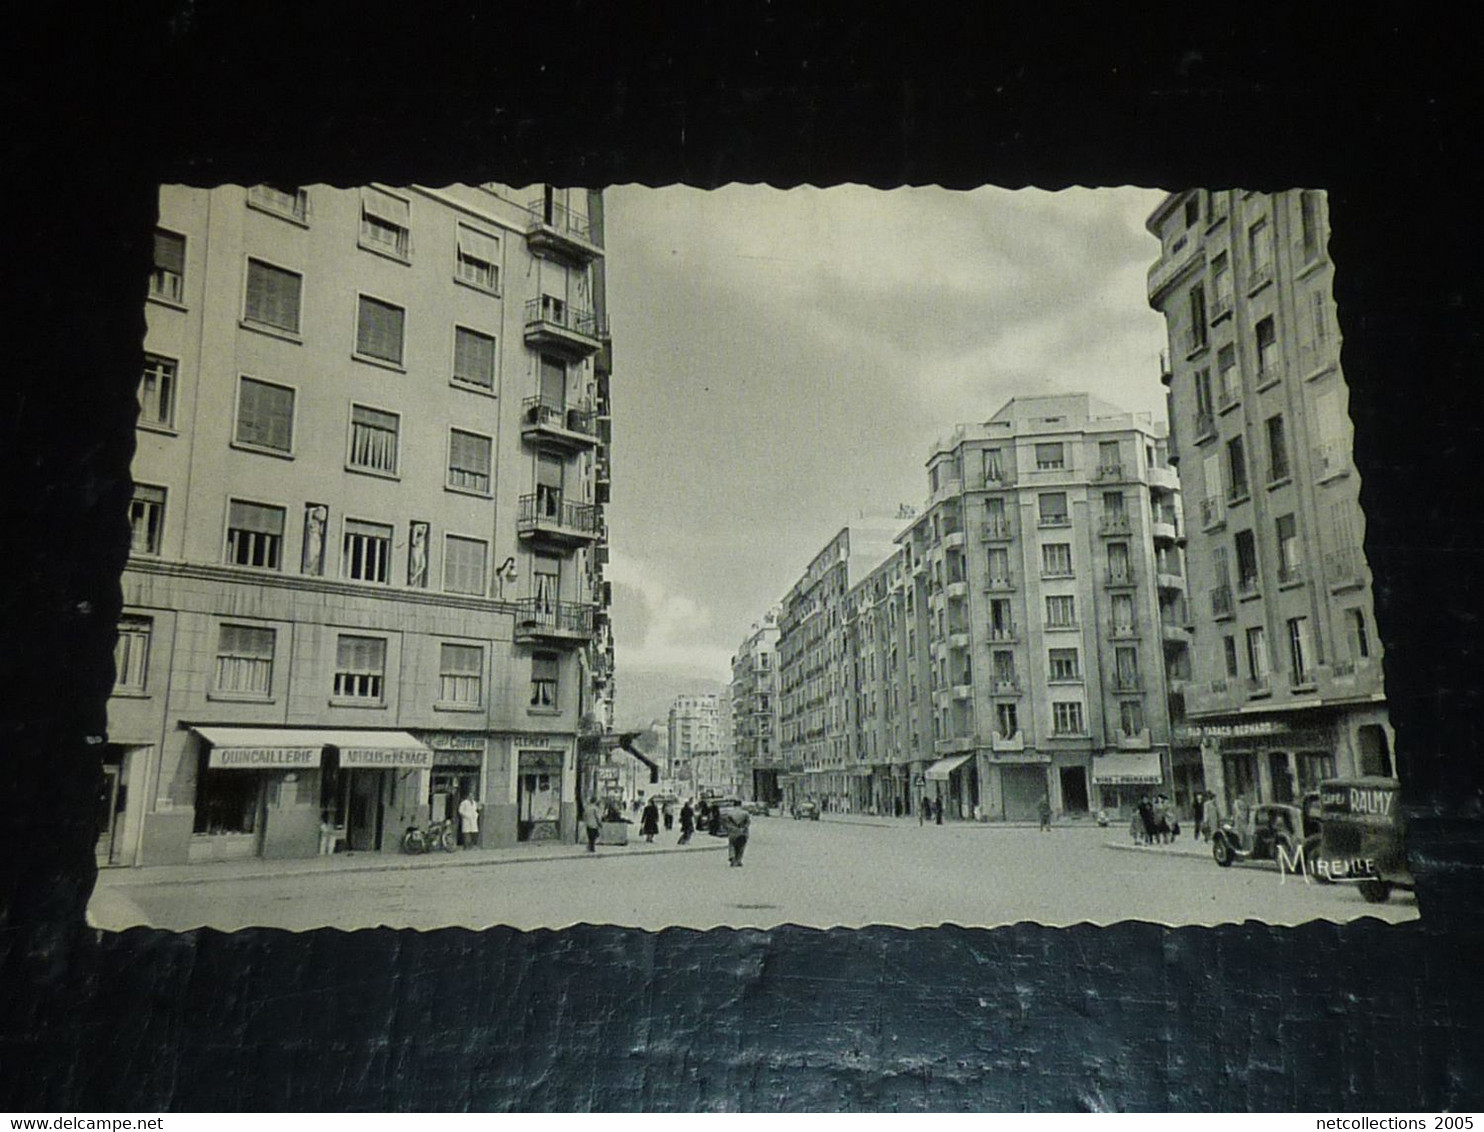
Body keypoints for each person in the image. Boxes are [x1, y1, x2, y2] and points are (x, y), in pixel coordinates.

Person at [718, 801, 751, 867]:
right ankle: (738, 860)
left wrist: (728, 829)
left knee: (732, 845)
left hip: (732, 832)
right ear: (740, 805)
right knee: (741, 847)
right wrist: (743, 828)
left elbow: (726, 823)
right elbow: (748, 823)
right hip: (742, 832)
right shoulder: (745, 813)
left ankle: (732, 857)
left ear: (733, 805)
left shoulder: (729, 814)